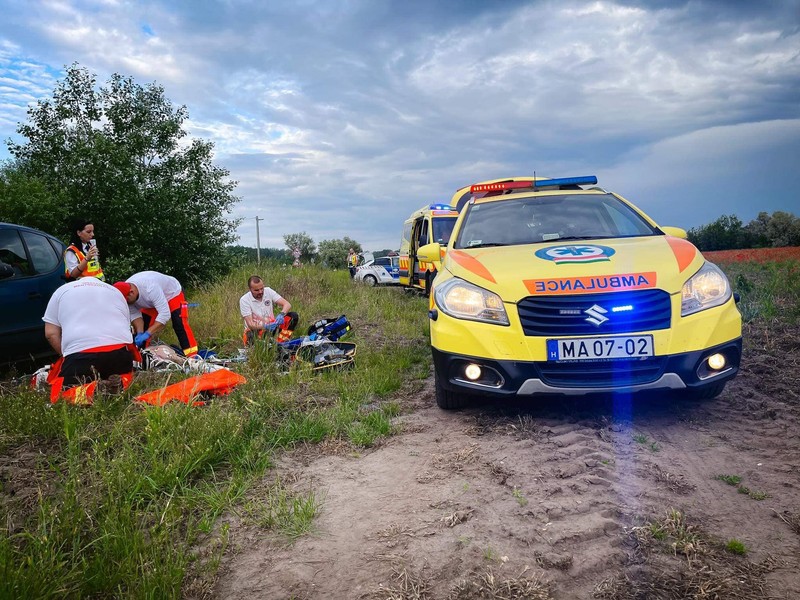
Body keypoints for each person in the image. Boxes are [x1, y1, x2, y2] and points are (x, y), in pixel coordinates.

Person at [42, 278, 136, 400]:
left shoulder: (61, 291)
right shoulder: (115, 291)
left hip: (81, 355)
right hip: (119, 352)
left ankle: (93, 391)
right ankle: (118, 385)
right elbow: (126, 328)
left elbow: (51, 334)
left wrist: (66, 355)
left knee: (63, 395)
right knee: (126, 378)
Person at [113, 271, 198, 357]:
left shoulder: (150, 288)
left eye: (127, 301)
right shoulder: (126, 296)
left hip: (172, 294)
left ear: (132, 292)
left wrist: (148, 333)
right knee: (145, 326)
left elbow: (165, 314)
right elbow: (136, 317)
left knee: (179, 323)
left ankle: (192, 356)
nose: (126, 303)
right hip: (151, 302)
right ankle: (142, 357)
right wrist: (140, 333)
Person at [239, 275, 299, 345]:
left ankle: (282, 341)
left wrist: (282, 314)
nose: (260, 292)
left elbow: (287, 304)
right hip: (257, 330)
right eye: (256, 290)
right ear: (250, 289)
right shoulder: (244, 300)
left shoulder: (268, 291)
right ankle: (265, 345)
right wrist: (265, 326)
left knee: (293, 316)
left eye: (262, 288)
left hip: (273, 325)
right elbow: (251, 325)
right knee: (250, 336)